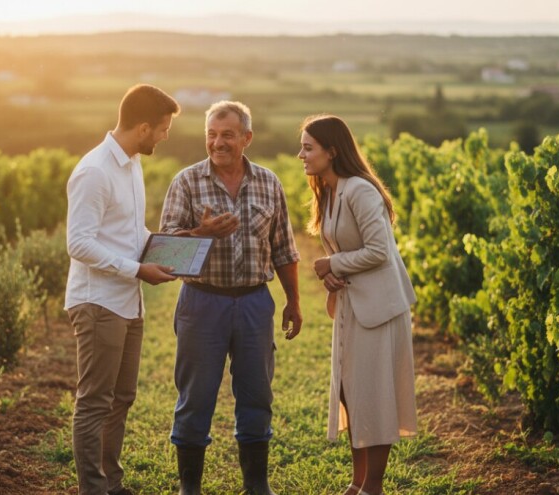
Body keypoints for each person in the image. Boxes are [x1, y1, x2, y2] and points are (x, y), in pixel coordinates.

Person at [160, 101, 303, 495]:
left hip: (255, 302)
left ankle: (257, 485)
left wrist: (293, 300)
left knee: (257, 393)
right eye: (211, 134)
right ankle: (189, 487)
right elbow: (164, 252)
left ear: (246, 138)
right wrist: (201, 234)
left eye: (226, 134)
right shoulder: (186, 182)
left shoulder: (269, 183)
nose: (217, 142)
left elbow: (284, 250)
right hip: (202, 303)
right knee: (195, 397)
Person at [65, 84, 181, 495]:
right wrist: (136, 269)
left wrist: (184, 242)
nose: (166, 137)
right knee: (95, 401)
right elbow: (78, 242)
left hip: (127, 302)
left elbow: (131, 233)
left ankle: (112, 485)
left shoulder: (131, 164)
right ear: (144, 127)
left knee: (122, 398)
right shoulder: (94, 171)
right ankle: (94, 490)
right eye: (163, 129)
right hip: (98, 302)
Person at [298, 114, 417, 495]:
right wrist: (333, 275)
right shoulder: (330, 191)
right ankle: (357, 482)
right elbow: (348, 250)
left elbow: (379, 252)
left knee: (374, 394)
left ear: (332, 152)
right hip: (353, 305)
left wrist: (332, 264)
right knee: (351, 391)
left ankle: (373, 488)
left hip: (379, 309)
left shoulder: (361, 190)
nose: (301, 154)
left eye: (308, 148)